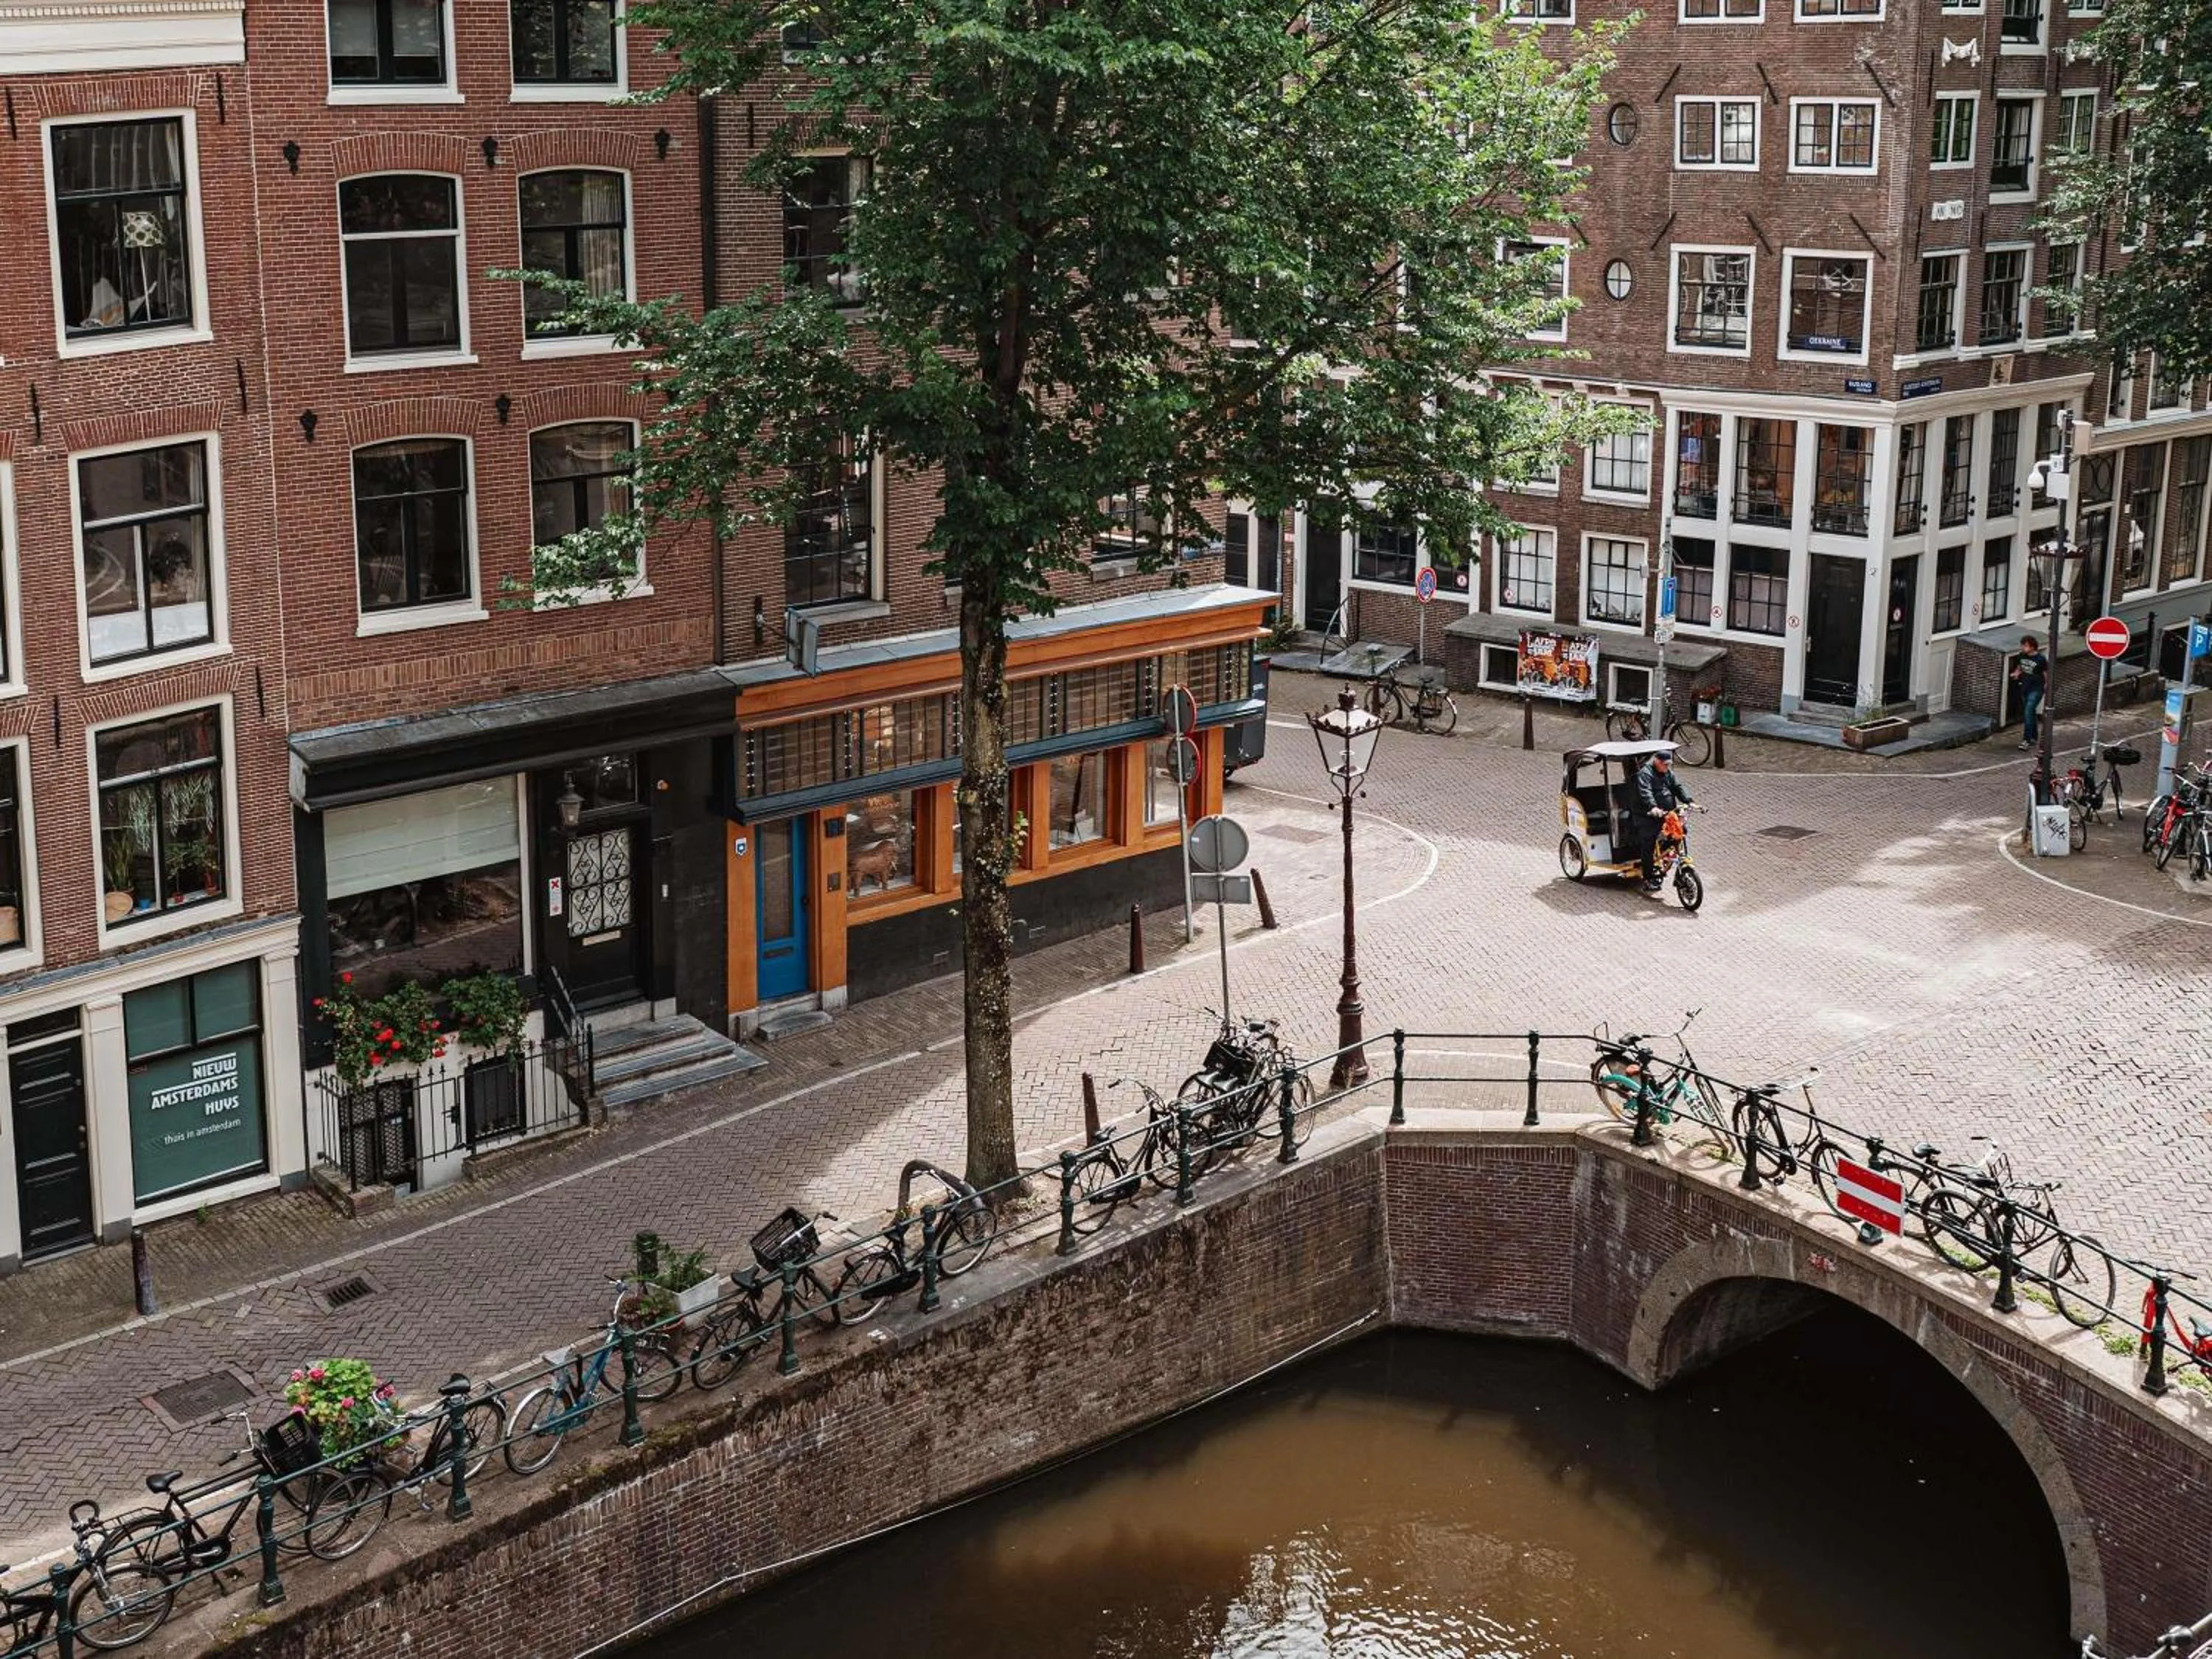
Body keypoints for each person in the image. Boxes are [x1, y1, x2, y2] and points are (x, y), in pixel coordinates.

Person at [1631, 751, 1703, 895]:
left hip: (1668, 814)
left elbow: (1677, 787)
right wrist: (1653, 807)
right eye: (1665, 764)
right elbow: (1646, 792)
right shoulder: (1645, 774)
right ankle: (1648, 878)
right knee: (1648, 843)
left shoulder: (1668, 772)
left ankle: (1672, 857)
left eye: (1670, 764)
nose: (1667, 767)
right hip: (1648, 816)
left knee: (1681, 832)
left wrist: (1689, 802)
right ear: (1656, 761)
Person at [2012, 635, 2049, 752]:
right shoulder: (2021, 656)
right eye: (2023, 645)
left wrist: (2047, 685)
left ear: (2033, 647)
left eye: (2026, 646)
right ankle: (2034, 736)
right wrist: (2016, 674)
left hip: (2036, 688)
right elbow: (2020, 667)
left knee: (2028, 710)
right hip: (2025, 687)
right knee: (2031, 712)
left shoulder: (2040, 659)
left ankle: (2026, 740)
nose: (2023, 648)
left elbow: (2045, 673)